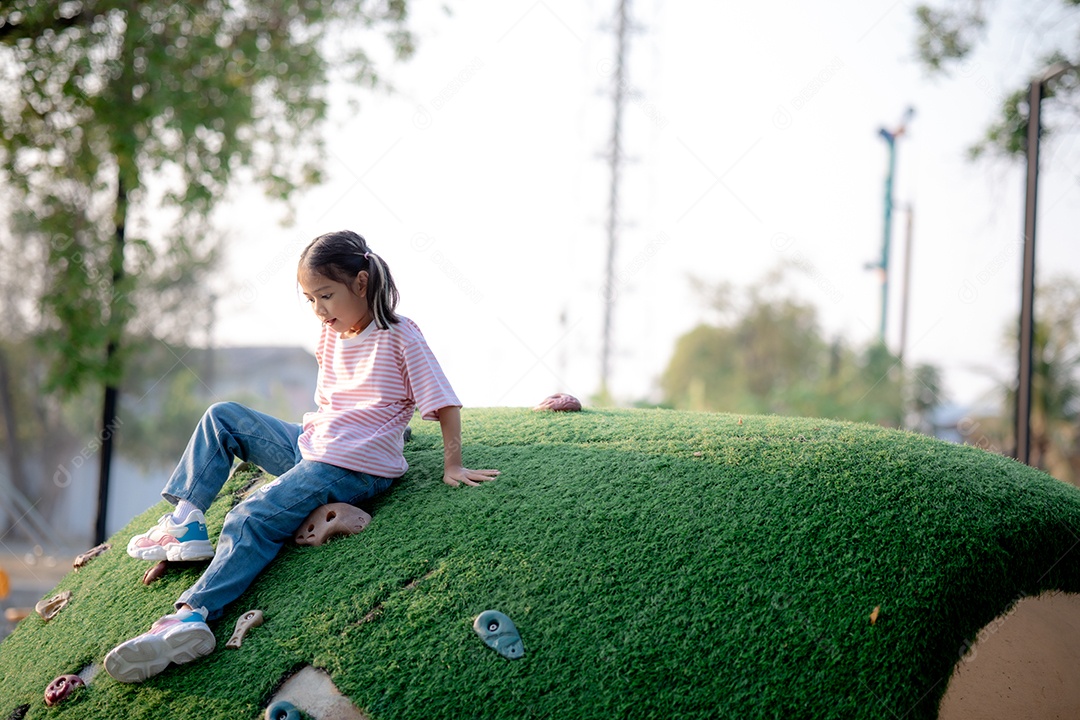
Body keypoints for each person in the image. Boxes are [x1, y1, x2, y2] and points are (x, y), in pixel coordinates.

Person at [103, 229, 499, 683]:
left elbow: (443, 401)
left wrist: (453, 464)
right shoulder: (329, 336)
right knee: (223, 417)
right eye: (310, 299)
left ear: (362, 283)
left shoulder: (400, 336)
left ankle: (192, 616)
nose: (319, 310)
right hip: (313, 447)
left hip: (354, 467)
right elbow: (339, 404)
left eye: (326, 296)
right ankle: (187, 521)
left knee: (251, 515)